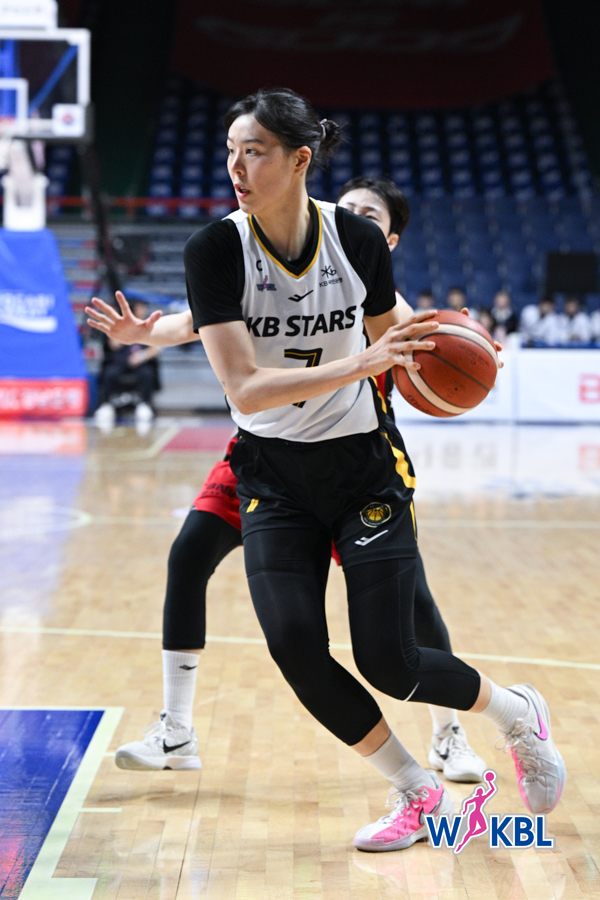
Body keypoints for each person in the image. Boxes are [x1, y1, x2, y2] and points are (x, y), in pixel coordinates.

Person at [88, 88, 565, 852]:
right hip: (271, 475)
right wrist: (359, 363)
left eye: (254, 152)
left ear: (299, 159)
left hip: (361, 470)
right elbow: (244, 387)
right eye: (231, 152)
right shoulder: (215, 249)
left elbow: (396, 333)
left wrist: (457, 344)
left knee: (391, 661)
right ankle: (416, 793)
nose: (236, 167)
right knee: (297, 651)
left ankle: (516, 714)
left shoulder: (357, 241)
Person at [88, 175, 487, 785]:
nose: (351, 219)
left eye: (369, 215)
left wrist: (474, 348)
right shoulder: (280, 269)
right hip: (263, 456)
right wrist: (144, 332)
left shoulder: (381, 301)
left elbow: (434, 342)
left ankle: (448, 733)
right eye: (345, 209)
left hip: (351, 465)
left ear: (389, 240)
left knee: (413, 606)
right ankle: (176, 729)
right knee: (190, 554)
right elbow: (199, 322)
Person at [94, 299, 161, 427]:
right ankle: (106, 405)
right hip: (120, 362)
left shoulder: (147, 325)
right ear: (133, 309)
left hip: (140, 363)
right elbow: (113, 345)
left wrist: (141, 356)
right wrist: (124, 332)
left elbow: (156, 349)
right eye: (141, 308)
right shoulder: (121, 323)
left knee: (147, 373)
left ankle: (144, 405)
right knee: (110, 373)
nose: (144, 310)